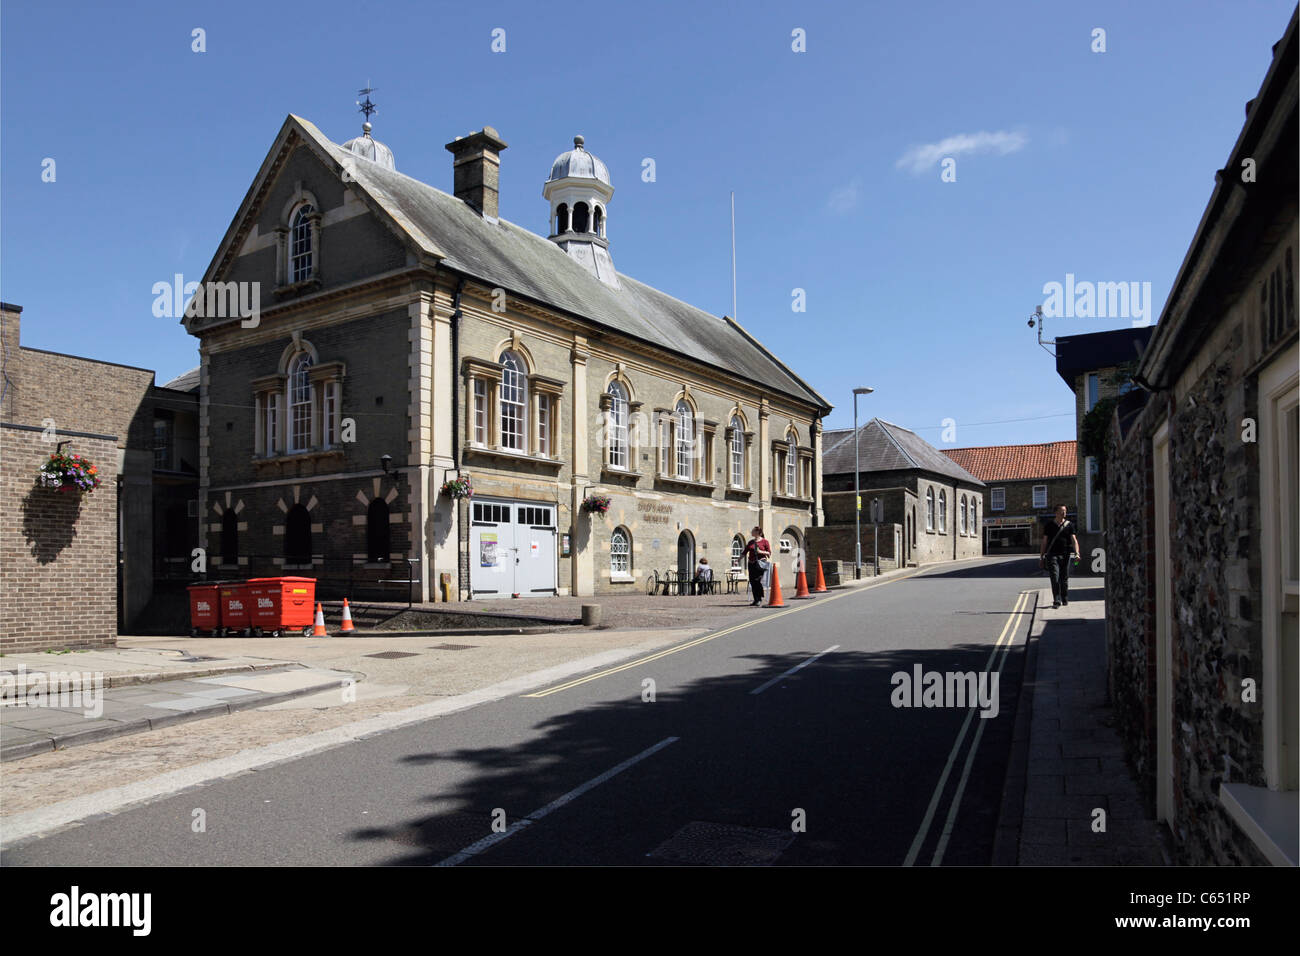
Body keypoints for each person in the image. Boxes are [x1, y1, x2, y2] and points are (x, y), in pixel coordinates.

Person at [1040, 505, 1080, 608]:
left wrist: (1077, 553)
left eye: (1065, 511)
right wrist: (1041, 557)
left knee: (1064, 578)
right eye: (1062, 511)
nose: (1064, 513)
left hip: (1066, 555)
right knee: (1055, 577)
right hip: (1052, 555)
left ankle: (1064, 597)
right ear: (1056, 512)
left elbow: (1074, 540)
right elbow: (1044, 541)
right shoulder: (1049, 525)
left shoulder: (1069, 525)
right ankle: (1056, 600)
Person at [742, 526, 772, 606]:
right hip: (751, 564)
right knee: (752, 581)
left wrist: (760, 551)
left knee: (757, 580)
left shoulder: (765, 542)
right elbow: (744, 552)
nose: (751, 532)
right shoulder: (751, 542)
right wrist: (737, 560)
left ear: (758, 533)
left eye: (753, 531)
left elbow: (769, 553)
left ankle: (759, 598)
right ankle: (756, 600)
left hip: (760, 563)